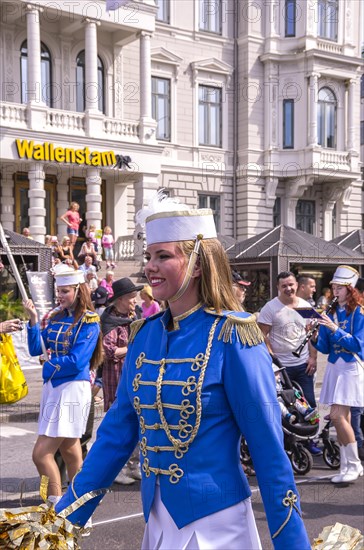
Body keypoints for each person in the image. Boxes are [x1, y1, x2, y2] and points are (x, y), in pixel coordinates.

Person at [56, 193, 310, 549]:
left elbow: (268, 450)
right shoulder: (144, 336)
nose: (150, 267)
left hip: (218, 525)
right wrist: (62, 522)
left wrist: (294, 544)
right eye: (148, 256)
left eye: (163, 256)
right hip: (158, 521)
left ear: (198, 263)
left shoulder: (233, 335)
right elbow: (116, 435)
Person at [22, 264, 103, 505]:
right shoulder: (56, 317)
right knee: (70, 449)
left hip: (71, 390)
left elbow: (78, 361)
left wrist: (48, 366)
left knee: (41, 454)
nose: (60, 295)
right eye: (58, 291)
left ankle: (55, 505)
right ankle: (81, 505)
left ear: (79, 290)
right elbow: (37, 349)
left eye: (65, 291)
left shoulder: (89, 322)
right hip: (53, 389)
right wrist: (33, 320)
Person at [258, 271, 321, 455]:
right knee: (286, 406)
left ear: (297, 285)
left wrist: (313, 357)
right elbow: (262, 335)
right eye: (284, 285)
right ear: (278, 287)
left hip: (303, 365)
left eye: (291, 284)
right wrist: (273, 360)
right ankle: (288, 443)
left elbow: (312, 334)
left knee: (309, 403)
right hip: (281, 367)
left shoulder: (305, 306)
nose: (289, 288)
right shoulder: (271, 308)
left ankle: (311, 439)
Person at [312, 265, 364, 482]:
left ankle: (354, 464)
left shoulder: (359, 313)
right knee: (342, 417)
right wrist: (315, 334)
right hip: (335, 367)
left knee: (337, 416)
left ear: (350, 289)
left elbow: (358, 345)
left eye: (339, 287)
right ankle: (346, 465)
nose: (334, 290)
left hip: (351, 367)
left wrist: (335, 329)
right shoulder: (331, 312)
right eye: (333, 286)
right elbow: (325, 347)